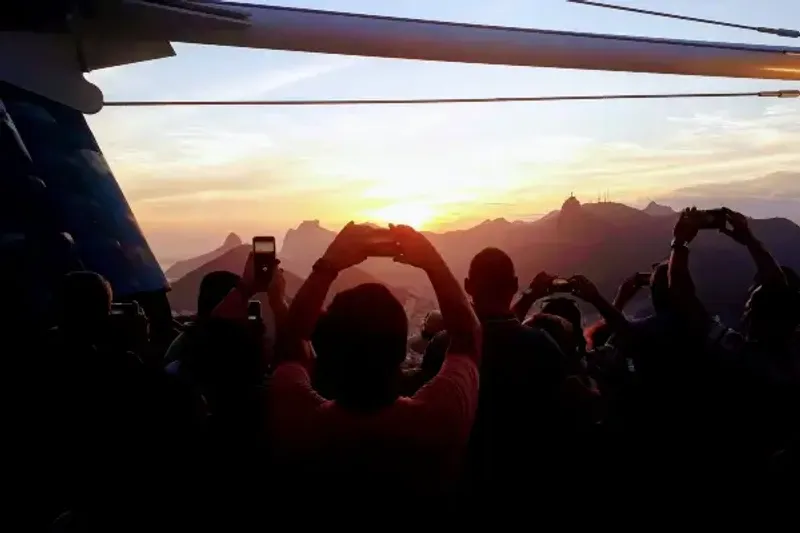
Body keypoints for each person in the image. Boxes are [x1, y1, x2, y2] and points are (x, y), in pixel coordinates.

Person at [215, 223, 481, 516]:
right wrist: (432, 261)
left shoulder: (299, 423)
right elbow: (467, 338)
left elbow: (292, 343)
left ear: (328, 354)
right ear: (400, 353)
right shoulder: (440, 420)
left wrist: (327, 266)